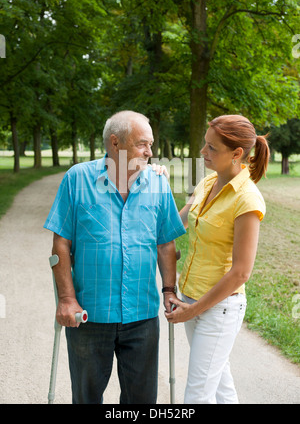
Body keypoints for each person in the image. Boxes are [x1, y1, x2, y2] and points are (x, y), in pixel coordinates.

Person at [44, 110, 186, 404]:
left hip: (142, 315)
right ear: (115, 143)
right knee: (86, 397)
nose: (150, 152)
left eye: (151, 144)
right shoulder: (78, 179)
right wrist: (67, 299)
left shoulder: (158, 183)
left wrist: (169, 290)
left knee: (142, 401)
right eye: (142, 144)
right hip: (90, 314)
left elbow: (165, 244)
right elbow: (61, 244)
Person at [165, 114, 270, 404]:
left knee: (197, 395)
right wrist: (159, 189)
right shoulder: (207, 182)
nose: (203, 152)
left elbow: (241, 273)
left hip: (219, 309)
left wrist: (194, 309)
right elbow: (176, 224)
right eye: (205, 145)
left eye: (212, 148)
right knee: (220, 385)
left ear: (237, 154)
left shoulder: (247, 200)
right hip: (191, 298)